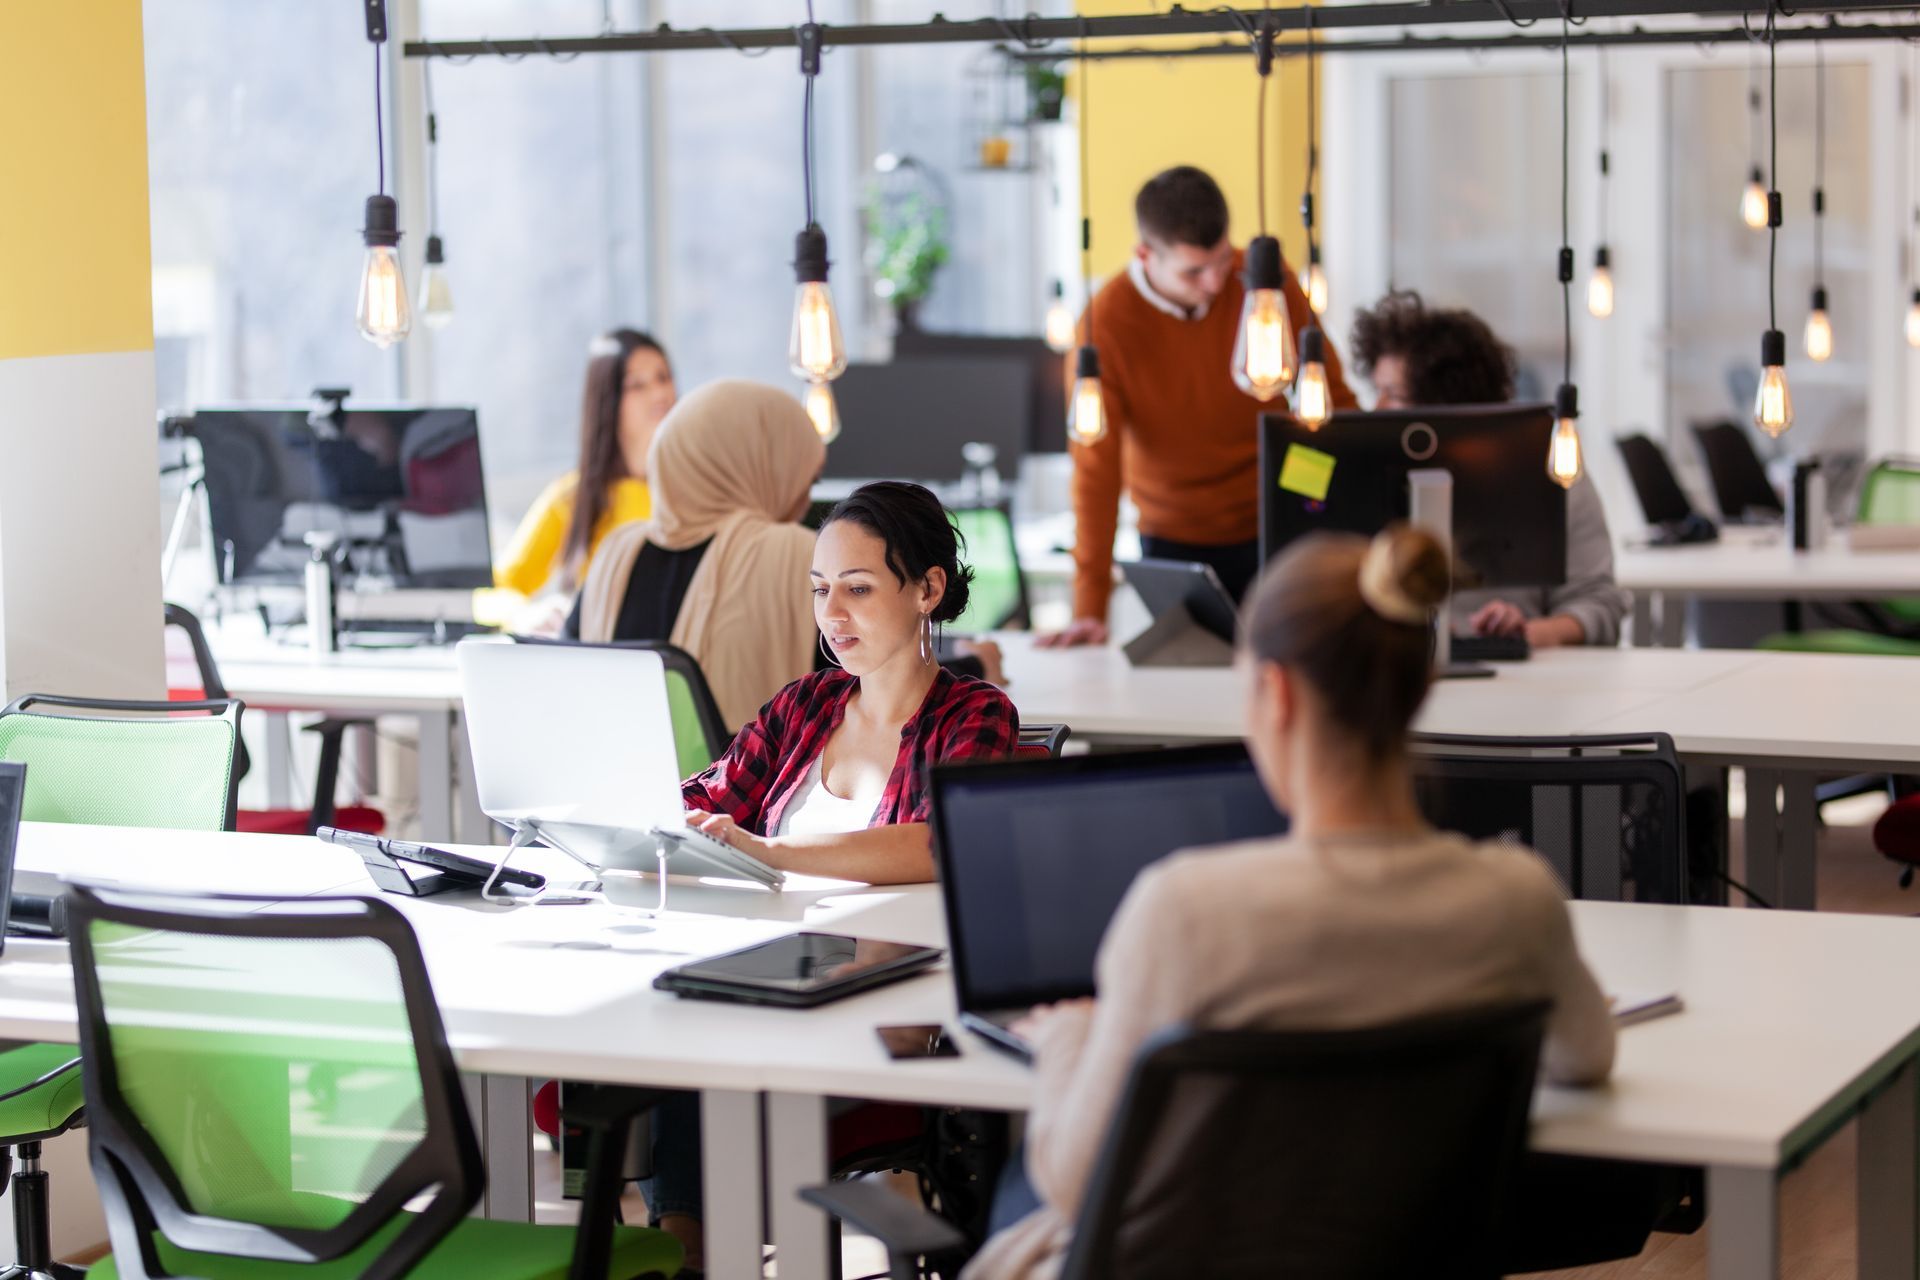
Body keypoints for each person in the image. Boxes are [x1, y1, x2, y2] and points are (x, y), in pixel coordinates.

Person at [966, 524, 1617, 1279]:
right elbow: (1588, 1056)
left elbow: (1077, 1183)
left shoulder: (1183, 910)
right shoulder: (1516, 897)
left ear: (1273, 693)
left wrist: (1066, 1044)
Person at [642, 481, 1020, 1270]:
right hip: (768, 976)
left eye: (857, 588)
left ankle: (685, 1248)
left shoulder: (974, 712)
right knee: (669, 1040)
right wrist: (641, 817)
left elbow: (934, 845)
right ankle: (688, 1249)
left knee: (690, 1066)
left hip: (888, 1008)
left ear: (928, 590)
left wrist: (773, 854)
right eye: (820, 591)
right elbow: (704, 800)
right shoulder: (805, 706)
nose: (832, 615)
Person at [1041, 165, 1358, 648]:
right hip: (1174, 543)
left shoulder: (1264, 286)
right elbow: (1095, 475)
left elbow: (1336, 407)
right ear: (1145, 255)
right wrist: (1089, 606)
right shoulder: (1104, 327)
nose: (1215, 282)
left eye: (1222, 261)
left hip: (1279, 524)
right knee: (1194, 693)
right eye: (1194, 271)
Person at [567, 383, 1005, 723]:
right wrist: (973, 664)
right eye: (803, 480)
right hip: (748, 802)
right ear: (760, 468)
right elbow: (866, 681)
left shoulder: (614, 551)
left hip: (622, 804)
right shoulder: (789, 553)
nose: (800, 501)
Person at [1349, 290, 1630, 648]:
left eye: (1393, 394)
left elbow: (1599, 602)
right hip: (1394, 681)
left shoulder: (1556, 469)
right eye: (1377, 391)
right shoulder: (1361, 479)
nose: (1377, 409)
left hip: (1522, 688)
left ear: (1444, 405)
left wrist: (1526, 635)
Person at [480, 328, 677, 629]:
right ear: (608, 401)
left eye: (663, 378)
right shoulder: (574, 497)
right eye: (637, 385)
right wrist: (526, 615)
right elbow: (490, 591)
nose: (659, 393)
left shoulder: (695, 487)